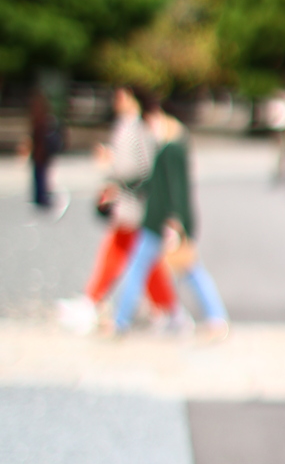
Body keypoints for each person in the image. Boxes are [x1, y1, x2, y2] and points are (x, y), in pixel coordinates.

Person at [57, 86, 178, 335]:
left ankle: (94, 302)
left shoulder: (132, 127)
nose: (117, 101)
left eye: (122, 96)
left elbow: (136, 167)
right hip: (132, 202)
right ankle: (167, 309)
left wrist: (110, 165)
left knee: (131, 255)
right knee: (137, 256)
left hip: (132, 203)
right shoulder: (137, 126)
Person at [111, 96, 229, 338]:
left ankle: (120, 320)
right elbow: (156, 185)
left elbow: (176, 189)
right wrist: (122, 188)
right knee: (185, 270)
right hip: (163, 222)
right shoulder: (170, 147)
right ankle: (215, 317)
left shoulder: (172, 148)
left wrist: (175, 222)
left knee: (170, 269)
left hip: (162, 222)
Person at [24, 91, 67, 215]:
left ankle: (40, 197)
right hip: (41, 153)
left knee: (40, 176)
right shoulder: (43, 119)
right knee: (40, 176)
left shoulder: (40, 120)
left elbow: (37, 137)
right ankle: (40, 197)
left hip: (40, 153)